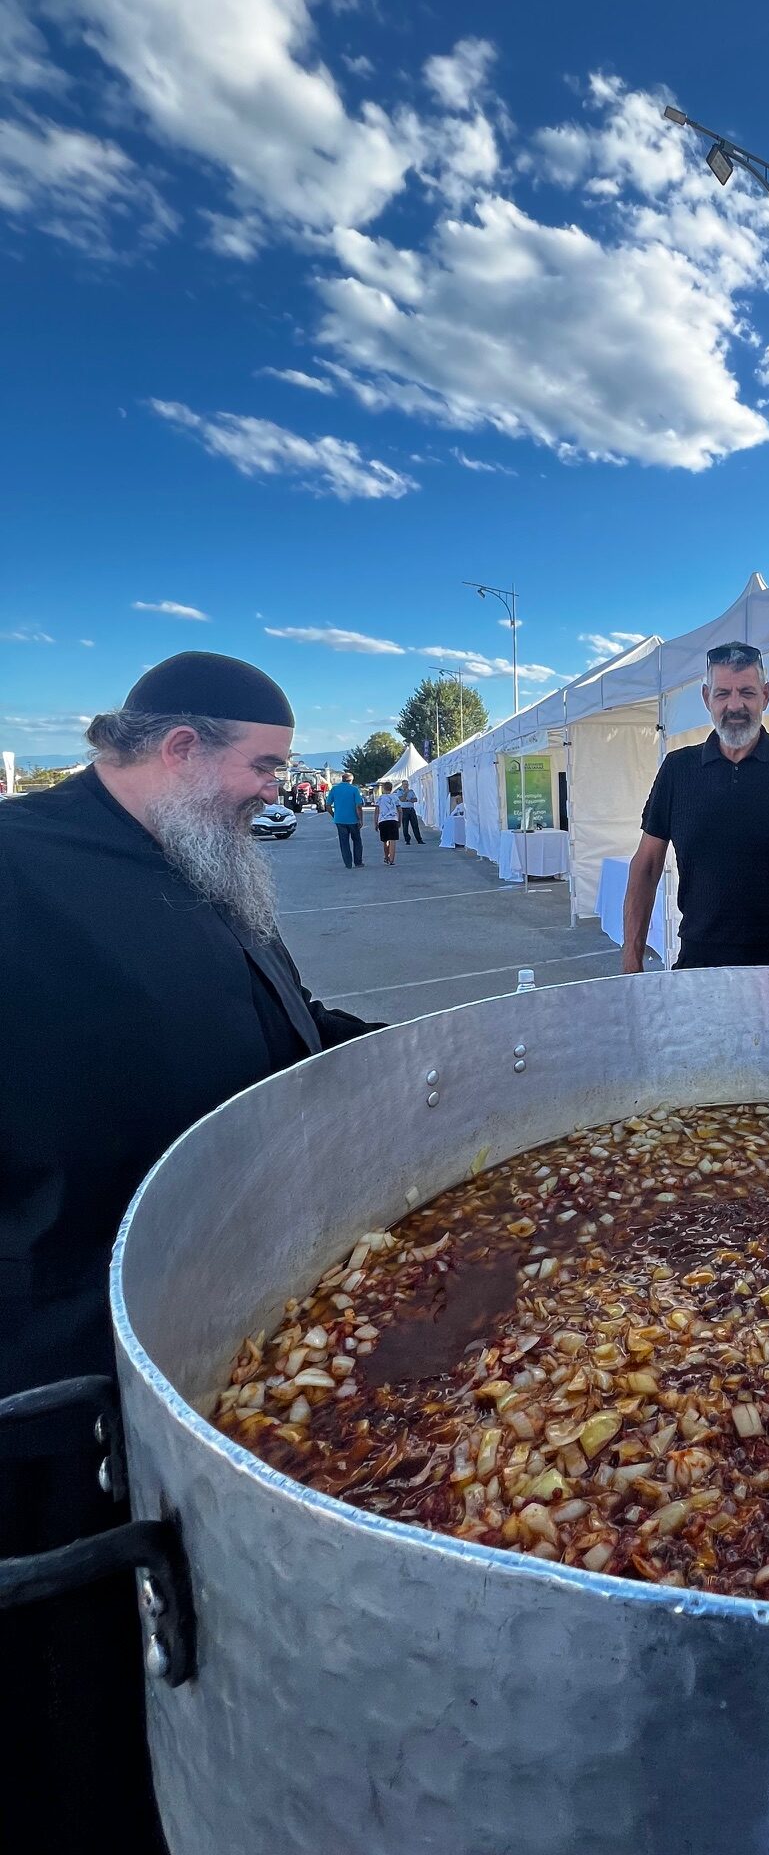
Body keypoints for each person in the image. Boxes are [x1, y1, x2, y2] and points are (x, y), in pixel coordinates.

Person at [0, 650, 379, 1849]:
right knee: (75, 1693)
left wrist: (413, 1053)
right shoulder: (14, 868)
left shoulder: (199, 854)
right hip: (60, 1360)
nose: (277, 789)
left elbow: (281, 1020)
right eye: (264, 766)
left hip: (224, 1320)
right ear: (179, 748)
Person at [622, 641, 769, 972]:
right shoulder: (677, 769)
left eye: (747, 692)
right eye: (722, 693)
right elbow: (646, 866)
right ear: (706, 698)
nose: (735, 705)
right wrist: (631, 961)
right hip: (702, 963)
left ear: (765, 696)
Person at [327, 769, 365, 868]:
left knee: (344, 842)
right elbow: (358, 806)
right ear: (351, 780)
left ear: (342, 779)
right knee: (357, 840)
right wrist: (360, 819)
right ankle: (358, 862)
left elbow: (328, 806)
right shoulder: (354, 789)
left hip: (340, 820)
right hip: (353, 820)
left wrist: (334, 815)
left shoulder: (334, 789)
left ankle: (348, 863)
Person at [375, 780, 401, 865]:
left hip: (383, 821)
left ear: (383, 788)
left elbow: (376, 811)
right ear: (391, 788)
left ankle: (386, 856)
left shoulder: (379, 798)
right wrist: (399, 821)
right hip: (393, 820)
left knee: (385, 840)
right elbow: (400, 810)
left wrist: (376, 823)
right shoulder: (395, 797)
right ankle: (392, 859)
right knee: (392, 840)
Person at [397, 777, 424, 844]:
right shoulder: (400, 791)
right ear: (402, 785)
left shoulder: (411, 791)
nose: (406, 785)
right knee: (405, 825)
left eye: (407, 784)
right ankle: (407, 840)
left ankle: (419, 840)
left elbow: (415, 799)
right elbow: (402, 799)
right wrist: (406, 793)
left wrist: (409, 800)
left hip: (411, 809)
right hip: (404, 810)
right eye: (404, 784)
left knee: (415, 825)